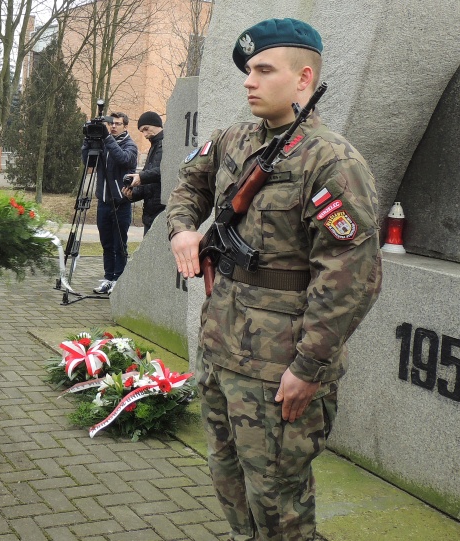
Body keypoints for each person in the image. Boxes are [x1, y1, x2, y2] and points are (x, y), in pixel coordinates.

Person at [165, 18, 382, 540]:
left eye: (264, 70)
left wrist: (308, 368)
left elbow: (352, 280)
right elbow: (187, 185)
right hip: (220, 347)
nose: (249, 81)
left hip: (278, 364)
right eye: (247, 70)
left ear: (304, 79)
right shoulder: (233, 139)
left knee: (278, 497)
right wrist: (182, 231)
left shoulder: (332, 162)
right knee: (227, 475)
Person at [83, 111, 138, 294]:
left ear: (125, 126)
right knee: (106, 243)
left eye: (117, 124)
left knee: (119, 244)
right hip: (104, 202)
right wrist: (88, 141)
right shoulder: (104, 143)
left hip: (120, 203)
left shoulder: (130, 145)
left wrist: (107, 138)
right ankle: (108, 277)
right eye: (111, 124)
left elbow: (123, 159)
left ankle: (119, 279)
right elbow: (88, 163)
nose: (113, 126)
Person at [122, 111, 165, 233]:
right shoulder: (154, 146)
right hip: (151, 212)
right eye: (142, 131)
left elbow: (165, 171)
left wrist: (141, 176)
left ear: (156, 124)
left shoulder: (167, 143)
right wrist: (133, 194)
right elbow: (149, 179)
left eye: (146, 129)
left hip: (162, 211)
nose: (145, 134)